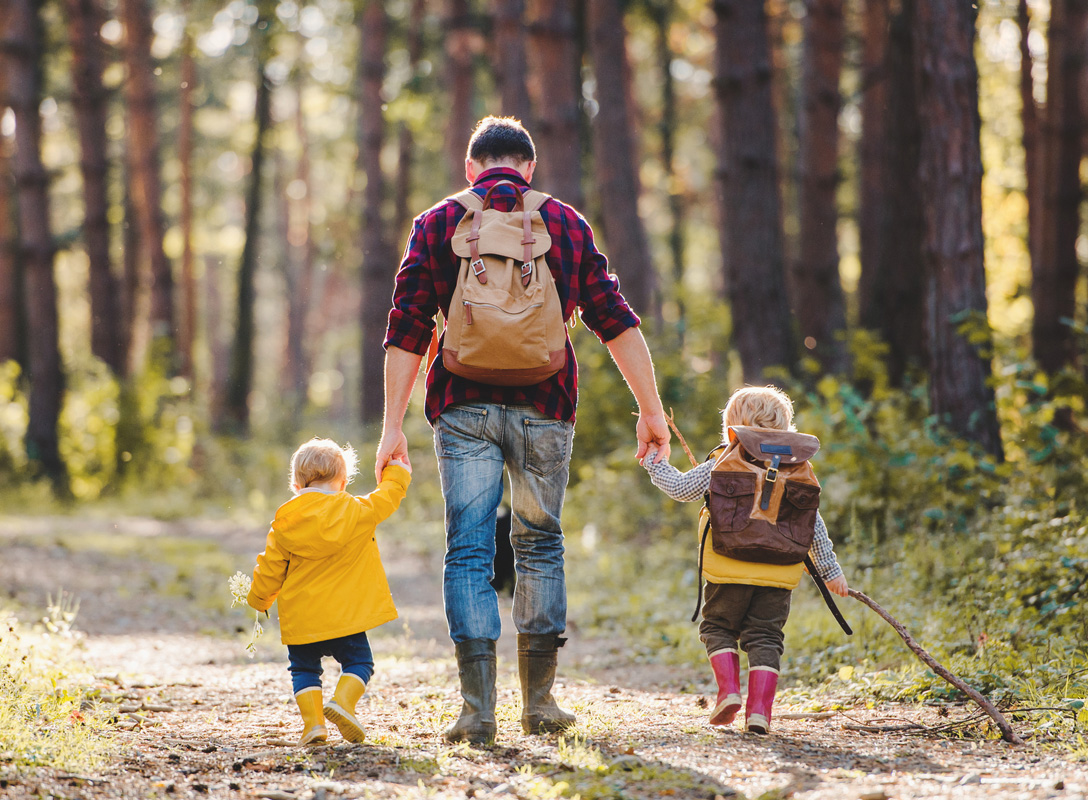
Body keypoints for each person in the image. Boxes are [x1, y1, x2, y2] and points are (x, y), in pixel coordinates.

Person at [376, 115, 671, 743]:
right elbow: (614, 319)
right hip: (546, 407)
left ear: (470, 168)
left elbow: (407, 328)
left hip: (462, 408)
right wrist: (650, 410)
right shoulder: (564, 222)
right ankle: (540, 704)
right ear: (529, 169)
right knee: (539, 544)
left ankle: (476, 710)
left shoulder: (437, 223)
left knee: (469, 548)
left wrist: (390, 428)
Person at [641, 386, 849, 735]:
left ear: (732, 428)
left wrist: (653, 462)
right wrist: (831, 571)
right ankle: (759, 714)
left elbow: (679, 489)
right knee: (766, 637)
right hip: (778, 573)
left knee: (717, 628)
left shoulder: (723, 460)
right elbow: (812, 524)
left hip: (728, 567)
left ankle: (729, 692)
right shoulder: (798, 468)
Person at [246, 438, 412, 745]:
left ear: (295, 484)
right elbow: (386, 497)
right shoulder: (356, 510)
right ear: (343, 482)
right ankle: (343, 704)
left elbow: (270, 567)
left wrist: (259, 598)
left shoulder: (285, 522)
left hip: (303, 618)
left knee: (305, 669)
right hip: (345, 618)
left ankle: (313, 726)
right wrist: (398, 472)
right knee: (360, 663)